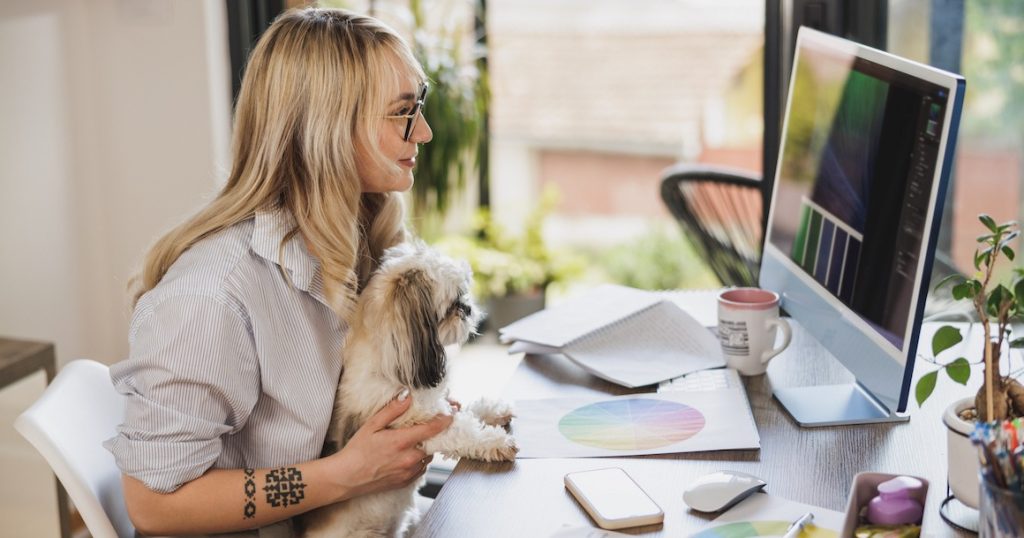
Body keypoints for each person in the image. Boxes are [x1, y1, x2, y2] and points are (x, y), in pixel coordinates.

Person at [103, 7, 451, 537]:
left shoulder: (357, 240)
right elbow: (155, 506)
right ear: (328, 127)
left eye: (419, 105)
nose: (422, 131)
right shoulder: (210, 298)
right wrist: (346, 475)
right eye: (403, 111)